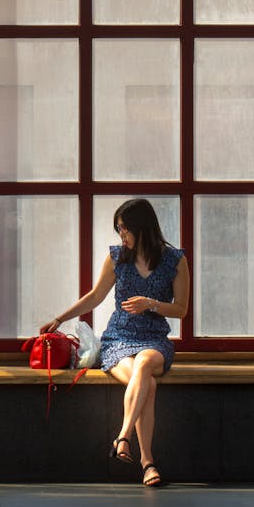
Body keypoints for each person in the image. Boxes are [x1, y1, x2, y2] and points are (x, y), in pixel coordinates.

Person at [39, 198, 190, 488]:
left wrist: (151, 304)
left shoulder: (175, 260)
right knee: (148, 384)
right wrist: (59, 319)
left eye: (124, 228)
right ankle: (148, 463)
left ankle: (123, 436)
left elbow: (181, 309)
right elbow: (95, 296)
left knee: (144, 363)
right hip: (118, 338)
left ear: (141, 227)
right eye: (118, 229)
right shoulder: (117, 257)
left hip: (154, 339)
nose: (121, 234)